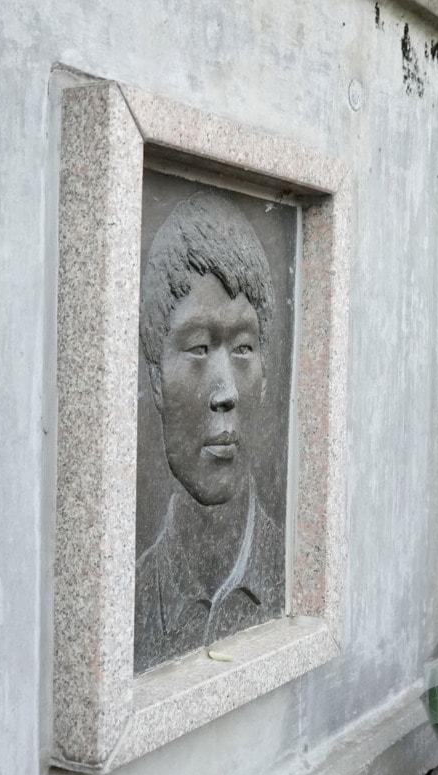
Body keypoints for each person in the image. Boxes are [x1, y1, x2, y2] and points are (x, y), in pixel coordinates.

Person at [134, 191, 285, 672]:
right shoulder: (131, 596)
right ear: (156, 378)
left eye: (243, 349)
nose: (225, 393)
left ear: (264, 376)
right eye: (198, 348)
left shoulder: (292, 567)